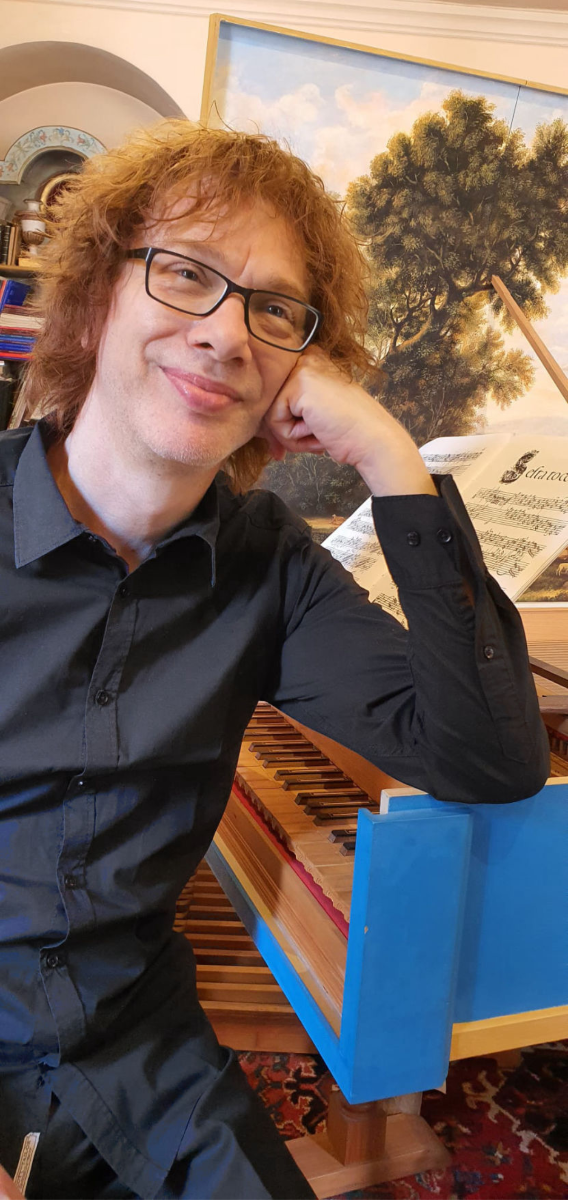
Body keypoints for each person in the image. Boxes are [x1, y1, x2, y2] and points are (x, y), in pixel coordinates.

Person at [0, 121, 548, 1200]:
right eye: (185, 273)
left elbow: (488, 761)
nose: (224, 333)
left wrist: (390, 457)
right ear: (98, 296)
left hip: (135, 1050)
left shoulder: (270, 564)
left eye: (274, 308)